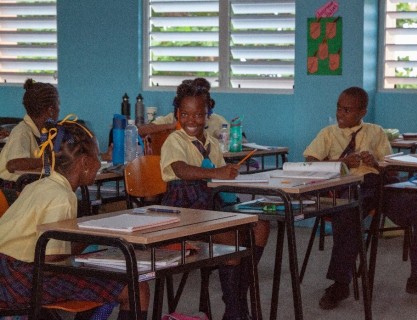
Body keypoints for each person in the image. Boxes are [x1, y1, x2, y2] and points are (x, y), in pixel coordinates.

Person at [303, 86, 417, 310]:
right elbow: (309, 164)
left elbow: (390, 168)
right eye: (338, 108)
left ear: (362, 112)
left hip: (380, 186)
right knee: (348, 212)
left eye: (347, 110)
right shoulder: (328, 134)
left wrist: (375, 163)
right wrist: (341, 163)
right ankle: (340, 283)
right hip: (349, 186)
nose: (340, 114)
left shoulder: (376, 132)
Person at [0, 119, 150, 320]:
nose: (99, 162)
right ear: (85, 163)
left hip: (7, 273)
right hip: (23, 280)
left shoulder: (38, 186)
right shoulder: (62, 197)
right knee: (135, 287)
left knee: (98, 275)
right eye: (97, 156)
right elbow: (50, 258)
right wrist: (88, 239)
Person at [160, 77, 269, 320]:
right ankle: (236, 308)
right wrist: (214, 173)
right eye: (185, 114)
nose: (191, 120)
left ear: (208, 114)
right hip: (183, 210)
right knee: (231, 239)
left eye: (198, 115)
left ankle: (236, 303)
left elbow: (218, 180)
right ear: (178, 113)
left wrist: (229, 175)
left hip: (211, 206)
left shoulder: (211, 143)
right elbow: (180, 169)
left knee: (261, 226)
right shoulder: (174, 140)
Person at [0, 78, 60, 188]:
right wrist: (49, 161)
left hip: (25, 187)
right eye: (58, 104)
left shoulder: (43, 131)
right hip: (7, 190)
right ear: (51, 109)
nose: (59, 109)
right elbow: (13, 165)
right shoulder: (22, 131)